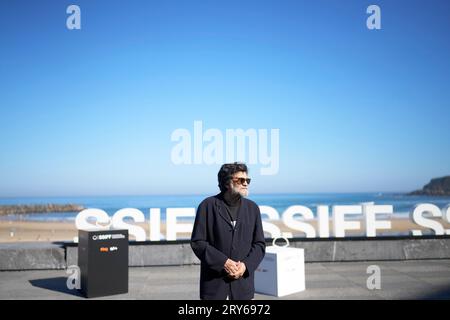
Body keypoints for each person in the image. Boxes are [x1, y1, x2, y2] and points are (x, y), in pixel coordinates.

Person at [190, 162, 266, 300]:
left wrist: (245, 266)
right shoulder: (207, 206)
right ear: (226, 183)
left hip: (243, 287)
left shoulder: (253, 208)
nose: (245, 183)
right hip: (214, 287)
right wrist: (223, 262)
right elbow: (198, 242)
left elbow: (259, 244)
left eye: (247, 180)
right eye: (240, 180)